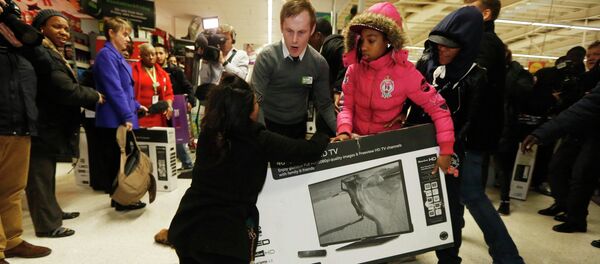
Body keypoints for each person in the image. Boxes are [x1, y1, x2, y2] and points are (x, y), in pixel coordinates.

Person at [168, 75, 329, 263]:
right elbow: (304, 151)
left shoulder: (209, 133)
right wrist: (324, 137)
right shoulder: (257, 138)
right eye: (255, 102)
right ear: (246, 109)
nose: (258, 106)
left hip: (188, 226)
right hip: (227, 238)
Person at [408, 6, 524, 263]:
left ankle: (500, 257)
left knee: (461, 198)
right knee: (444, 203)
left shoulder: (476, 73)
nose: (442, 49)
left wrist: (451, 151)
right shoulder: (428, 64)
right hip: (426, 146)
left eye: (450, 46)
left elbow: (471, 118)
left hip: (459, 148)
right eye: (439, 44)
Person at [333, 2, 454, 175]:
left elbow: (439, 108)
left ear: (388, 40)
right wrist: (344, 130)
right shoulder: (354, 70)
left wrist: (446, 150)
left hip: (388, 154)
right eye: (362, 41)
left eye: (371, 40)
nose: (364, 47)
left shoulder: (405, 74)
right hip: (356, 148)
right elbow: (346, 106)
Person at [24, 9, 103, 238]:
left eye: (66, 28)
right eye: (57, 27)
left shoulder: (50, 52)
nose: (64, 32)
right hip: (40, 124)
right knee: (39, 176)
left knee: (46, 174)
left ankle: (53, 212)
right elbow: (63, 89)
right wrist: (94, 96)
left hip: (49, 124)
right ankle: (48, 225)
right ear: (41, 29)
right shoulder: (41, 52)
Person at [0, 1, 52, 261]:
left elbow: (44, 64)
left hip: (20, 124)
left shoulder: (19, 44)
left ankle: (11, 240)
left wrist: (11, 21)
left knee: (12, 190)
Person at [529, 43, 600, 233]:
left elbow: (585, 107)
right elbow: (573, 108)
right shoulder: (580, 79)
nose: (592, 58)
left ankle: (576, 219)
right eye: (590, 55)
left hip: (593, 133)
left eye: (597, 55)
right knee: (556, 168)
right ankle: (563, 205)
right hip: (575, 130)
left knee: (582, 175)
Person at [252, 0, 336, 138]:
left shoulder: (319, 64)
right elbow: (256, 102)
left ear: (313, 29)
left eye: (302, 32)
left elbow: (325, 105)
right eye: (289, 31)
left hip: (298, 128)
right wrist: (264, 135)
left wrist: (342, 131)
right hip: (268, 125)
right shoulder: (266, 59)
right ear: (281, 27)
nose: (294, 40)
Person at [93, 17, 148, 211]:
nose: (128, 39)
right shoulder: (106, 55)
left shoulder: (116, 56)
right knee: (118, 161)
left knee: (122, 160)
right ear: (111, 33)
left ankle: (123, 197)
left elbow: (125, 90)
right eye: (124, 34)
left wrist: (137, 105)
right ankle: (121, 199)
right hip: (114, 118)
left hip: (122, 115)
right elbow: (113, 89)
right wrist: (126, 115)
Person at [463, 0, 505, 187]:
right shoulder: (477, 39)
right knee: (463, 193)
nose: (463, 11)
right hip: (475, 127)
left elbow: (474, 79)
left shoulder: (485, 41)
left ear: (486, 14)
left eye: (470, 7)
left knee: (470, 192)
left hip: (475, 128)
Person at [495, 47, 534, 215]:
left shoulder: (517, 72)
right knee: (481, 162)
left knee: (504, 165)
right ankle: (478, 196)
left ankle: (505, 200)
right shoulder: (488, 70)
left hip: (506, 125)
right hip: (488, 123)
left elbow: (524, 92)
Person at [156, 44, 195, 170]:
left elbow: (188, 87)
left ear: (166, 54)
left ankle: (187, 163)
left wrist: (190, 101)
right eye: (155, 53)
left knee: (178, 136)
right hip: (158, 109)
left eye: (160, 53)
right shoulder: (152, 71)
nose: (158, 56)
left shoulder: (175, 71)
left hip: (176, 106)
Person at [132, 43, 174, 128]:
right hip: (139, 115)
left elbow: (169, 94)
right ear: (141, 56)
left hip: (157, 117)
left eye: (153, 54)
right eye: (147, 55)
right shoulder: (133, 70)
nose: (151, 57)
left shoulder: (163, 73)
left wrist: (169, 106)